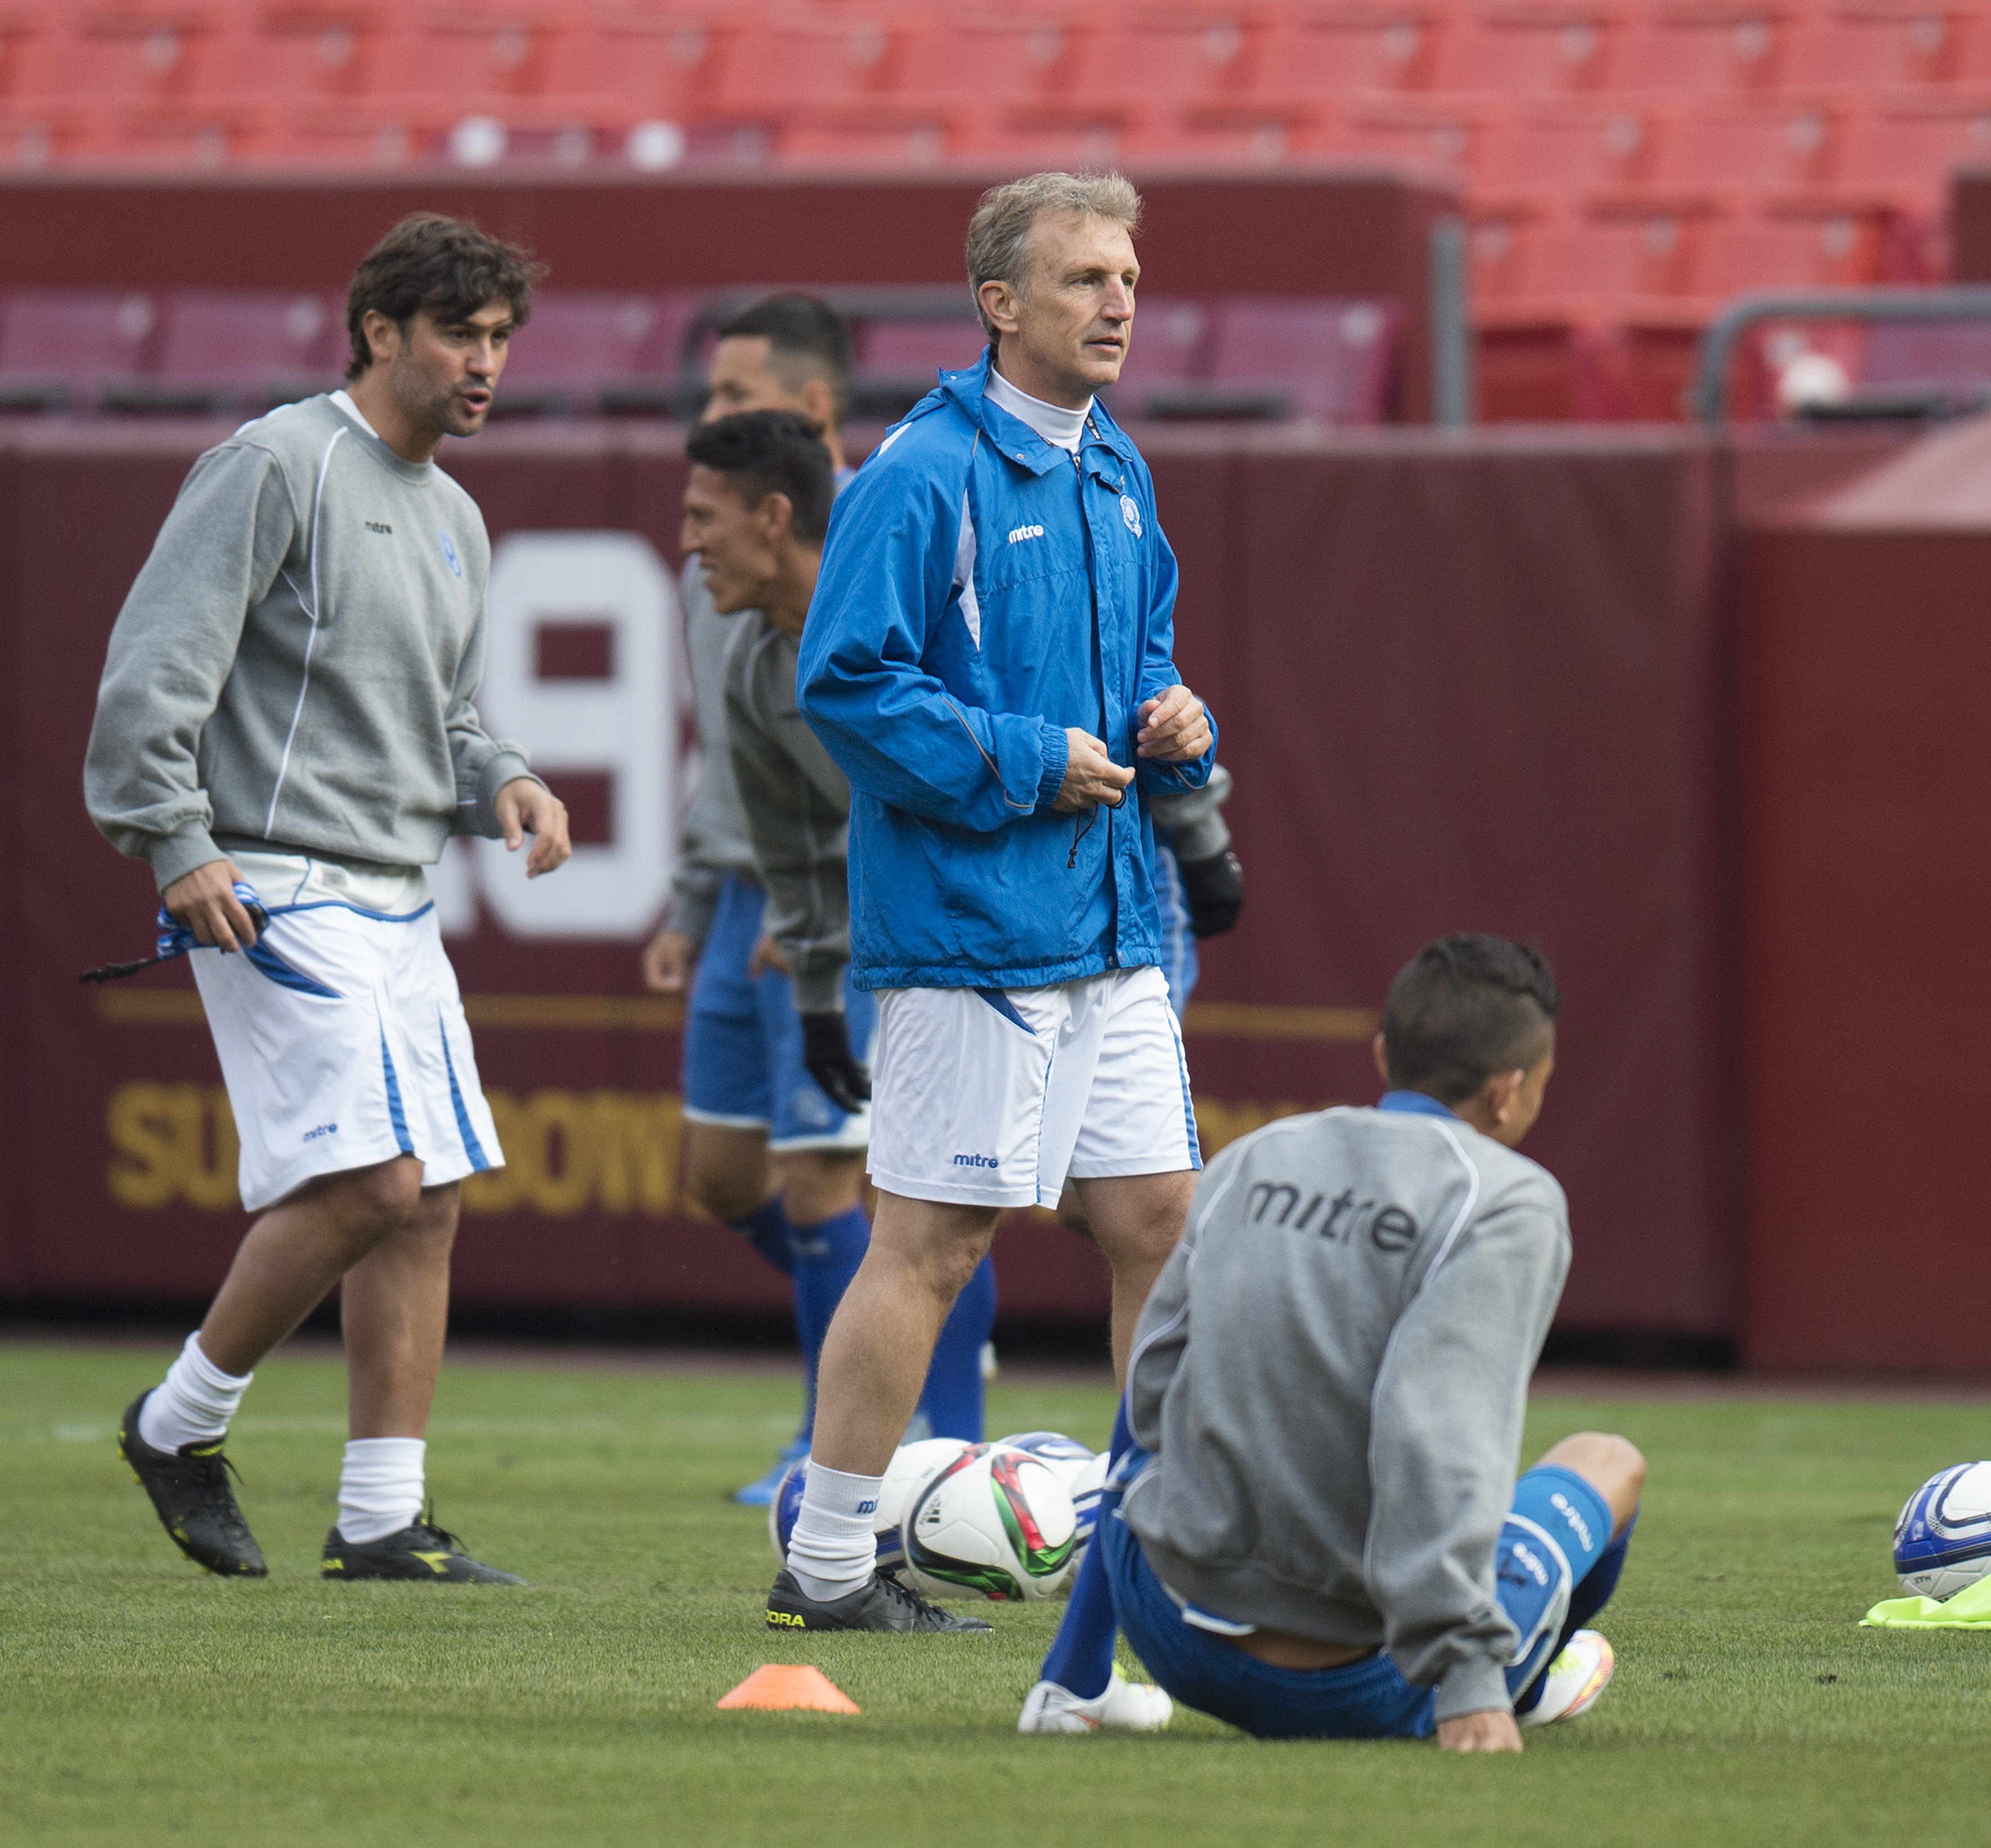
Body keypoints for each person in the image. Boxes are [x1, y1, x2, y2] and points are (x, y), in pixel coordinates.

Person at [768, 170, 1216, 1657]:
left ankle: (1161, 1534)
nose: (1119, 303)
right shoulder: (920, 473)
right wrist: (1027, 759)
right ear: (1000, 305)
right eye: (1087, 278)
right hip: (969, 932)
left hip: (1113, 925)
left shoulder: (1117, 467)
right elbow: (844, 681)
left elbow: (1139, 657)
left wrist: (1174, 721)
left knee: (1161, 1220)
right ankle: (829, 1558)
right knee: (937, 1241)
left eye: (1131, 278)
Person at [86, 214, 570, 1583]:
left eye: (499, 340)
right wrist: (173, 840)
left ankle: (378, 1521)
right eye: (459, 336)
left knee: (428, 1202)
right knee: (372, 1179)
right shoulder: (274, 463)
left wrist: (508, 781)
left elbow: (447, 718)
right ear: (379, 332)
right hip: (270, 876)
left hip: (397, 889)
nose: (486, 365)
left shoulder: (457, 516)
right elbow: (151, 676)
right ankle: (179, 1423)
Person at [1034, 934, 1638, 1748]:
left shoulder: (1259, 1153)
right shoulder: (1510, 1200)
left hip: (1170, 1629)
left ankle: (1071, 1680)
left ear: (1385, 1053)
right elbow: (1438, 1428)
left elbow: (1153, 1378)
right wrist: (1465, 1678)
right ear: (1509, 1093)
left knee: (1162, 1403)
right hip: (1353, 1686)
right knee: (1608, 1461)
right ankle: (1504, 1679)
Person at [643, 293, 994, 1504]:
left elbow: (914, 774)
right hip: (776, 898)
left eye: (735, 397)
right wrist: (706, 906)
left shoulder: (886, 547)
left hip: (899, 904)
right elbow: (741, 767)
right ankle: (894, 1385)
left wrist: (822, 941)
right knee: (730, 1177)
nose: (711, 419)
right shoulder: (732, 580)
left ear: (810, 410)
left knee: (862, 1180)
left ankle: (901, 1425)